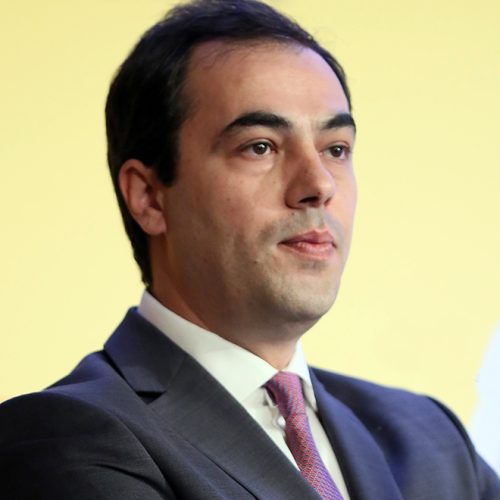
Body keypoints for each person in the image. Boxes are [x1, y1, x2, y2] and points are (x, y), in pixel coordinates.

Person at [0, 0, 498, 498]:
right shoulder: (65, 437)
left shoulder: (432, 439)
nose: (319, 185)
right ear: (149, 196)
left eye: (335, 149)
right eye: (260, 146)